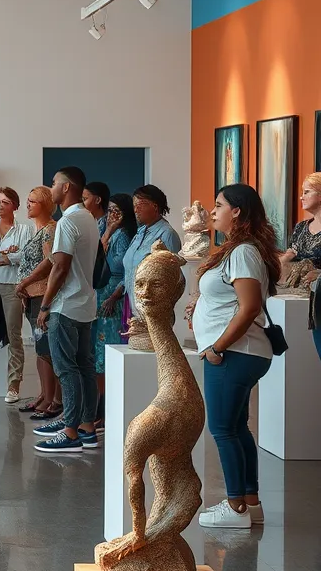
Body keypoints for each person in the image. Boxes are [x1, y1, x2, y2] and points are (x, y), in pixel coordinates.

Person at [190, 184, 281, 528]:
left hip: (234, 353)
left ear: (237, 211)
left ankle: (235, 508)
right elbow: (232, 300)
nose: (212, 212)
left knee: (223, 429)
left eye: (218, 205)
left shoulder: (243, 251)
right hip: (240, 352)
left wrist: (216, 348)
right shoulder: (238, 250)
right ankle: (250, 502)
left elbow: (249, 308)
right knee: (237, 428)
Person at [34, 167, 100, 454]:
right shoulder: (88, 218)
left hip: (66, 304)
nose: (50, 188)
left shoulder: (68, 221)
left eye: (54, 183)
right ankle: (86, 426)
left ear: (67, 187)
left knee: (66, 369)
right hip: (85, 303)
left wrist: (45, 305)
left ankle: (70, 431)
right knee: (84, 366)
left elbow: (60, 266)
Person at [15, 186, 60, 419]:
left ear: (45, 204)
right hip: (31, 297)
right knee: (40, 349)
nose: (28, 204)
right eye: (28, 200)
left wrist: (27, 283)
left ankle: (53, 398)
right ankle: (44, 394)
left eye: (33, 201)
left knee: (46, 349)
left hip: (42, 295)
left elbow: (51, 264)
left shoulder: (50, 230)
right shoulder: (37, 231)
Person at [93, 193, 137, 428]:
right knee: (99, 353)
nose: (111, 215)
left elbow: (125, 270)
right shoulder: (109, 231)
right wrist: (108, 231)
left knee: (109, 351)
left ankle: (109, 409)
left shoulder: (125, 235)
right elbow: (97, 258)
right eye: (109, 210)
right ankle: (101, 408)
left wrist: (113, 296)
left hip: (115, 295)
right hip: (103, 292)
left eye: (116, 211)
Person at [0, 186, 33, 404]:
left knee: (13, 334)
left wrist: (7, 258)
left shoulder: (25, 229)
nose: (0, 206)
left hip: (13, 286)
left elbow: (28, 256)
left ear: (15, 206)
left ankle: (14, 384)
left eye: (5, 202)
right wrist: (10, 255)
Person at [122, 184, 182, 330]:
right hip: (131, 301)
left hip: (152, 306)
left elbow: (172, 276)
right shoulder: (140, 232)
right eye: (134, 205)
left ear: (155, 206)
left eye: (140, 205)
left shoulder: (166, 234)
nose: (135, 210)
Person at [281, 172, 321, 360]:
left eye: (307, 192)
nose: (301, 197)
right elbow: (290, 253)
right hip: (302, 295)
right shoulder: (302, 227)